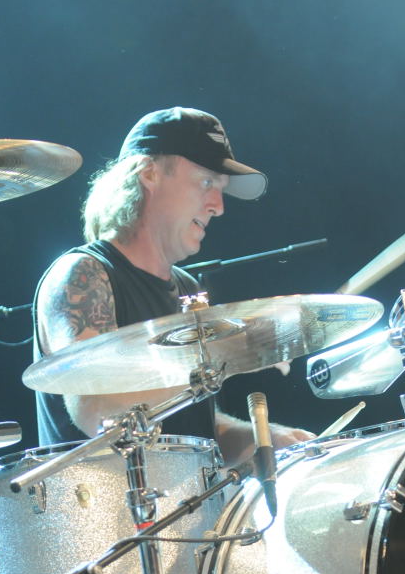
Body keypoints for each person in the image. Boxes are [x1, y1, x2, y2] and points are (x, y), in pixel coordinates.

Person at [32, 106, 313, 463]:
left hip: (187, 496)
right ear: (149, 172)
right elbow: (100, 412)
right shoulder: (82, 275)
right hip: (100, 497)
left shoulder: (187, 289)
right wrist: (228, 351)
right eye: (207, 182)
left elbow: (191, 429)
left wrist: (260, 439)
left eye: (221, 189)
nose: (218, 206)